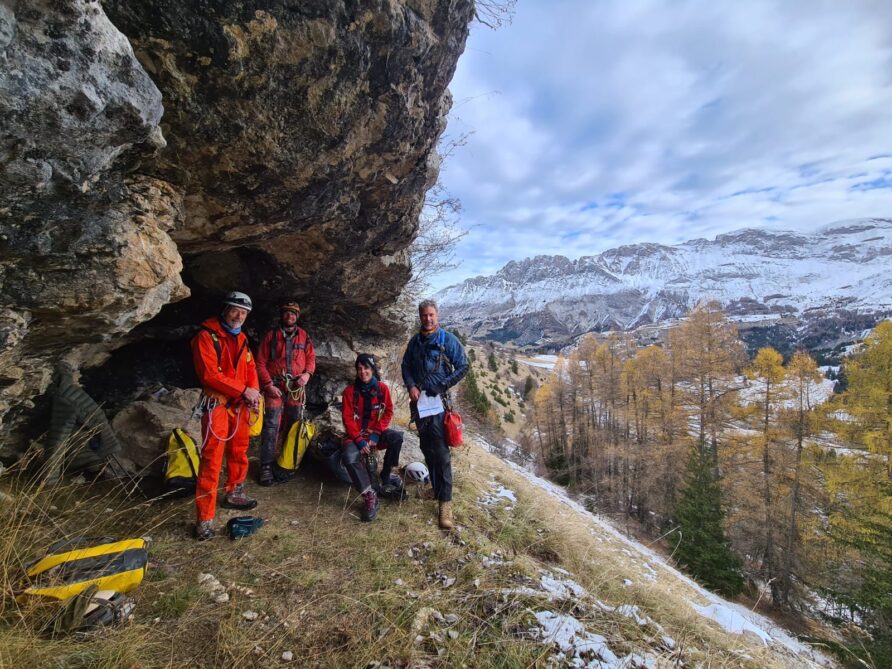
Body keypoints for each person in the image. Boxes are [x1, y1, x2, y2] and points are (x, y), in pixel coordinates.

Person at [191, 291, 261, 540]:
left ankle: (234, 492)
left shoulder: (241, 339)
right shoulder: (206, 337)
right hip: (217, 406)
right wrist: (244, 390)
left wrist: (253, 395)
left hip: (240, 406)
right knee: (211, 460)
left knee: (239, 450)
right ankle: (205, 518)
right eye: (235, 310)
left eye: (243, 313)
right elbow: (210, 375)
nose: (238, 315)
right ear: (225, 309)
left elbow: (251, 369)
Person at [400, 299, 468, 529]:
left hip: (440, 406)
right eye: (424, 315)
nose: (428, 319)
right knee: (427, 449)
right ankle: (437, 489)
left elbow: (463, 366)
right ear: (420, 317)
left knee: (441, 454)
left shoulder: (448, 340)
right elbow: (406, 366)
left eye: (431, 315)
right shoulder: (415, 342)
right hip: (420, 407)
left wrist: (443, 385)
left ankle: (445, 505)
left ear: (437, 315)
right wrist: (410, 386)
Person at [255, 301, 316, 486]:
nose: (290, 316)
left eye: (293, 314)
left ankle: (286, 462)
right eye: (287, 313)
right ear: (282, 315)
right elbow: (260, 363)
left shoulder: (304, 337)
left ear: (297, 317)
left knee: (294, 425)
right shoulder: (271, 336)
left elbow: (311, 358)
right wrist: (267, 385)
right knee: (272, 426)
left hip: (296, 388)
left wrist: (306, 374)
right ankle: (266, 466)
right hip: (275, 386)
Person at [341, 353, 404, 522]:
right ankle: (369, 495)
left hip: (375, 433)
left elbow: (388, 411)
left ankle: (385, 475)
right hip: (357, 436)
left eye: (366, 368)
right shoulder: (349, 392)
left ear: (372, 369)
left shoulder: (382, 389)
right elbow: (347, 418)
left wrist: (376, 433)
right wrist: (359, 440)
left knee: (396, 438)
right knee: (348, 456)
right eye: (359, 369)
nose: (363, 372)